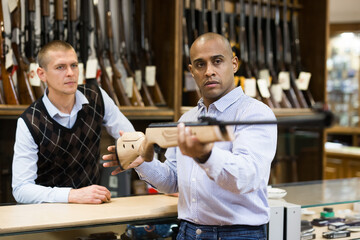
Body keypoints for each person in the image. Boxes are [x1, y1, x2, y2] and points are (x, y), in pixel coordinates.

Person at [103, 32, 277, 239]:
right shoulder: (187, 118)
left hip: (238, 234)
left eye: (217, 61)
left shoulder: (255, 113)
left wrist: (206, 156)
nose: (209, 71)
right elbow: (173, 181)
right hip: (188, 231)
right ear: (191, 71)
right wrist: (142, 162)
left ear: (234, 64)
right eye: (200, 64)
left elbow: (247, 178)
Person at [12, 40, 134, 204]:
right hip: (47, 218)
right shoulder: (29, 121)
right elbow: (21, 189)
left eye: (74, 65)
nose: (70, 73)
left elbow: (130, 137)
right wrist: (72, 195)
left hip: (93, 210)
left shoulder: (96, 97)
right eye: (60, 67)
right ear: (41, 74)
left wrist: (128, 152)